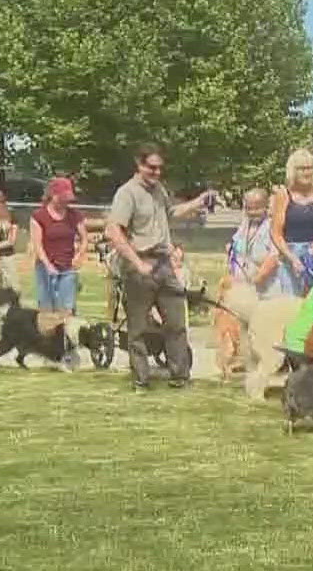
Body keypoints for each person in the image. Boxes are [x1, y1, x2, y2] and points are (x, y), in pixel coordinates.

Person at [103, 144, 216, 389]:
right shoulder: (127, 193)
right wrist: (137, 263)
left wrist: (198, 202)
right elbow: (114, 232)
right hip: (139, 264)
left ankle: (180, 377)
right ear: (139, 164)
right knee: (139, 328)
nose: (155, 172)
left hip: (164, 264)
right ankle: (141, 380)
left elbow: (171, 212)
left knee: (176, 323)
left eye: (159, 168)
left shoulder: (158, 190)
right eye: (151, 167)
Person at [271, 148, 313, 296]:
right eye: (301, 169)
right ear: (293, 171)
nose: (306, 172)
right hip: (291, 254)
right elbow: (276, 234)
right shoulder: (283, 195)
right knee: (292, 305)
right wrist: (292, 258)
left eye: (309, 168)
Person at [29, 177, 84, 315]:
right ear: (54, 195)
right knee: (46, 310)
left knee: (67, 309)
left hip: (67, 267)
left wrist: (79, 255)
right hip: (45, 268)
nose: (66, 201)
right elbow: (37, 245)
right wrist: (48, 265)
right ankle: (48, 336)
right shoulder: (39, 216)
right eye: (63, 197)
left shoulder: (74, 215)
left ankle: (66, 335)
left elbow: (85, 238)